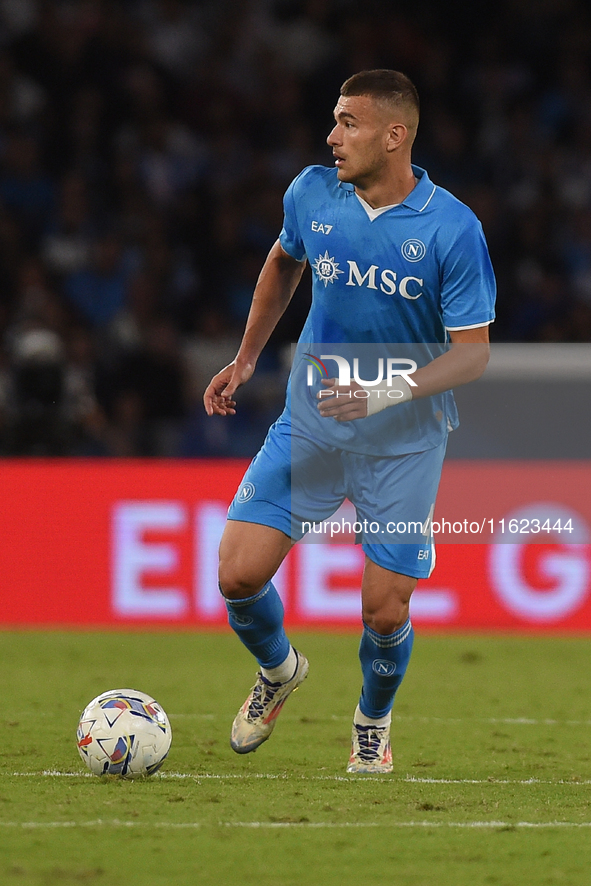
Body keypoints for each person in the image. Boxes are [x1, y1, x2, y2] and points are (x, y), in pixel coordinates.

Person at [203, 69, 496, 773]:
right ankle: (278, 670)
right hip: (310, 426)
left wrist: (383, 393)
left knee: (384, 613)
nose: (332, 137)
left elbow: (471, 357)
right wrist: (246, 358)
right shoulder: (311, 194)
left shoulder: (452, 229)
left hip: (402, 442)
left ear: (394, 135)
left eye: (349, 123)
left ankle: (371, 721)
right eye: (333, 120)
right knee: (237, 575)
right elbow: (282, 262)